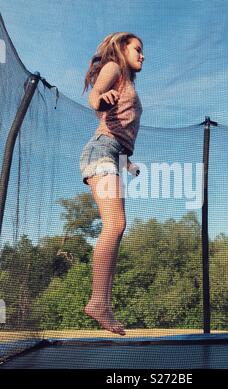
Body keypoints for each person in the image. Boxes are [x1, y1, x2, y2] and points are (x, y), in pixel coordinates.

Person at [80, 32, 144, 336]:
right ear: (122, 49)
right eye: (138, 50)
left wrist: (127, 164)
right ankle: (99, 303)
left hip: (113, 154)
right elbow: (95, 96)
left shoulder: (129, 83)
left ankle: (101, 302)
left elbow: (119, 135)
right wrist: (100, 99)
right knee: (115, 224)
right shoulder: (114, 68)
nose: (142, 55)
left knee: (117, 225)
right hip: (101, 150)